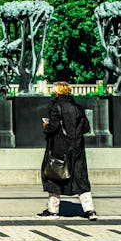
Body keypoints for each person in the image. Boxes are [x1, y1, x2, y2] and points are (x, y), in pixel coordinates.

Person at [36, 81, 96, 220]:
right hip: (77, 147)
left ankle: (53, 211)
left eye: (54, 90)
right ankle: (90, 210)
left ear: (57, 92)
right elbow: (86, 128)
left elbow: (53, 127)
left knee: (54, 176)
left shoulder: (56, 107)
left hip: (59, 146)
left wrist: (46, 125)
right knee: (80, 177)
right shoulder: (78, 108)